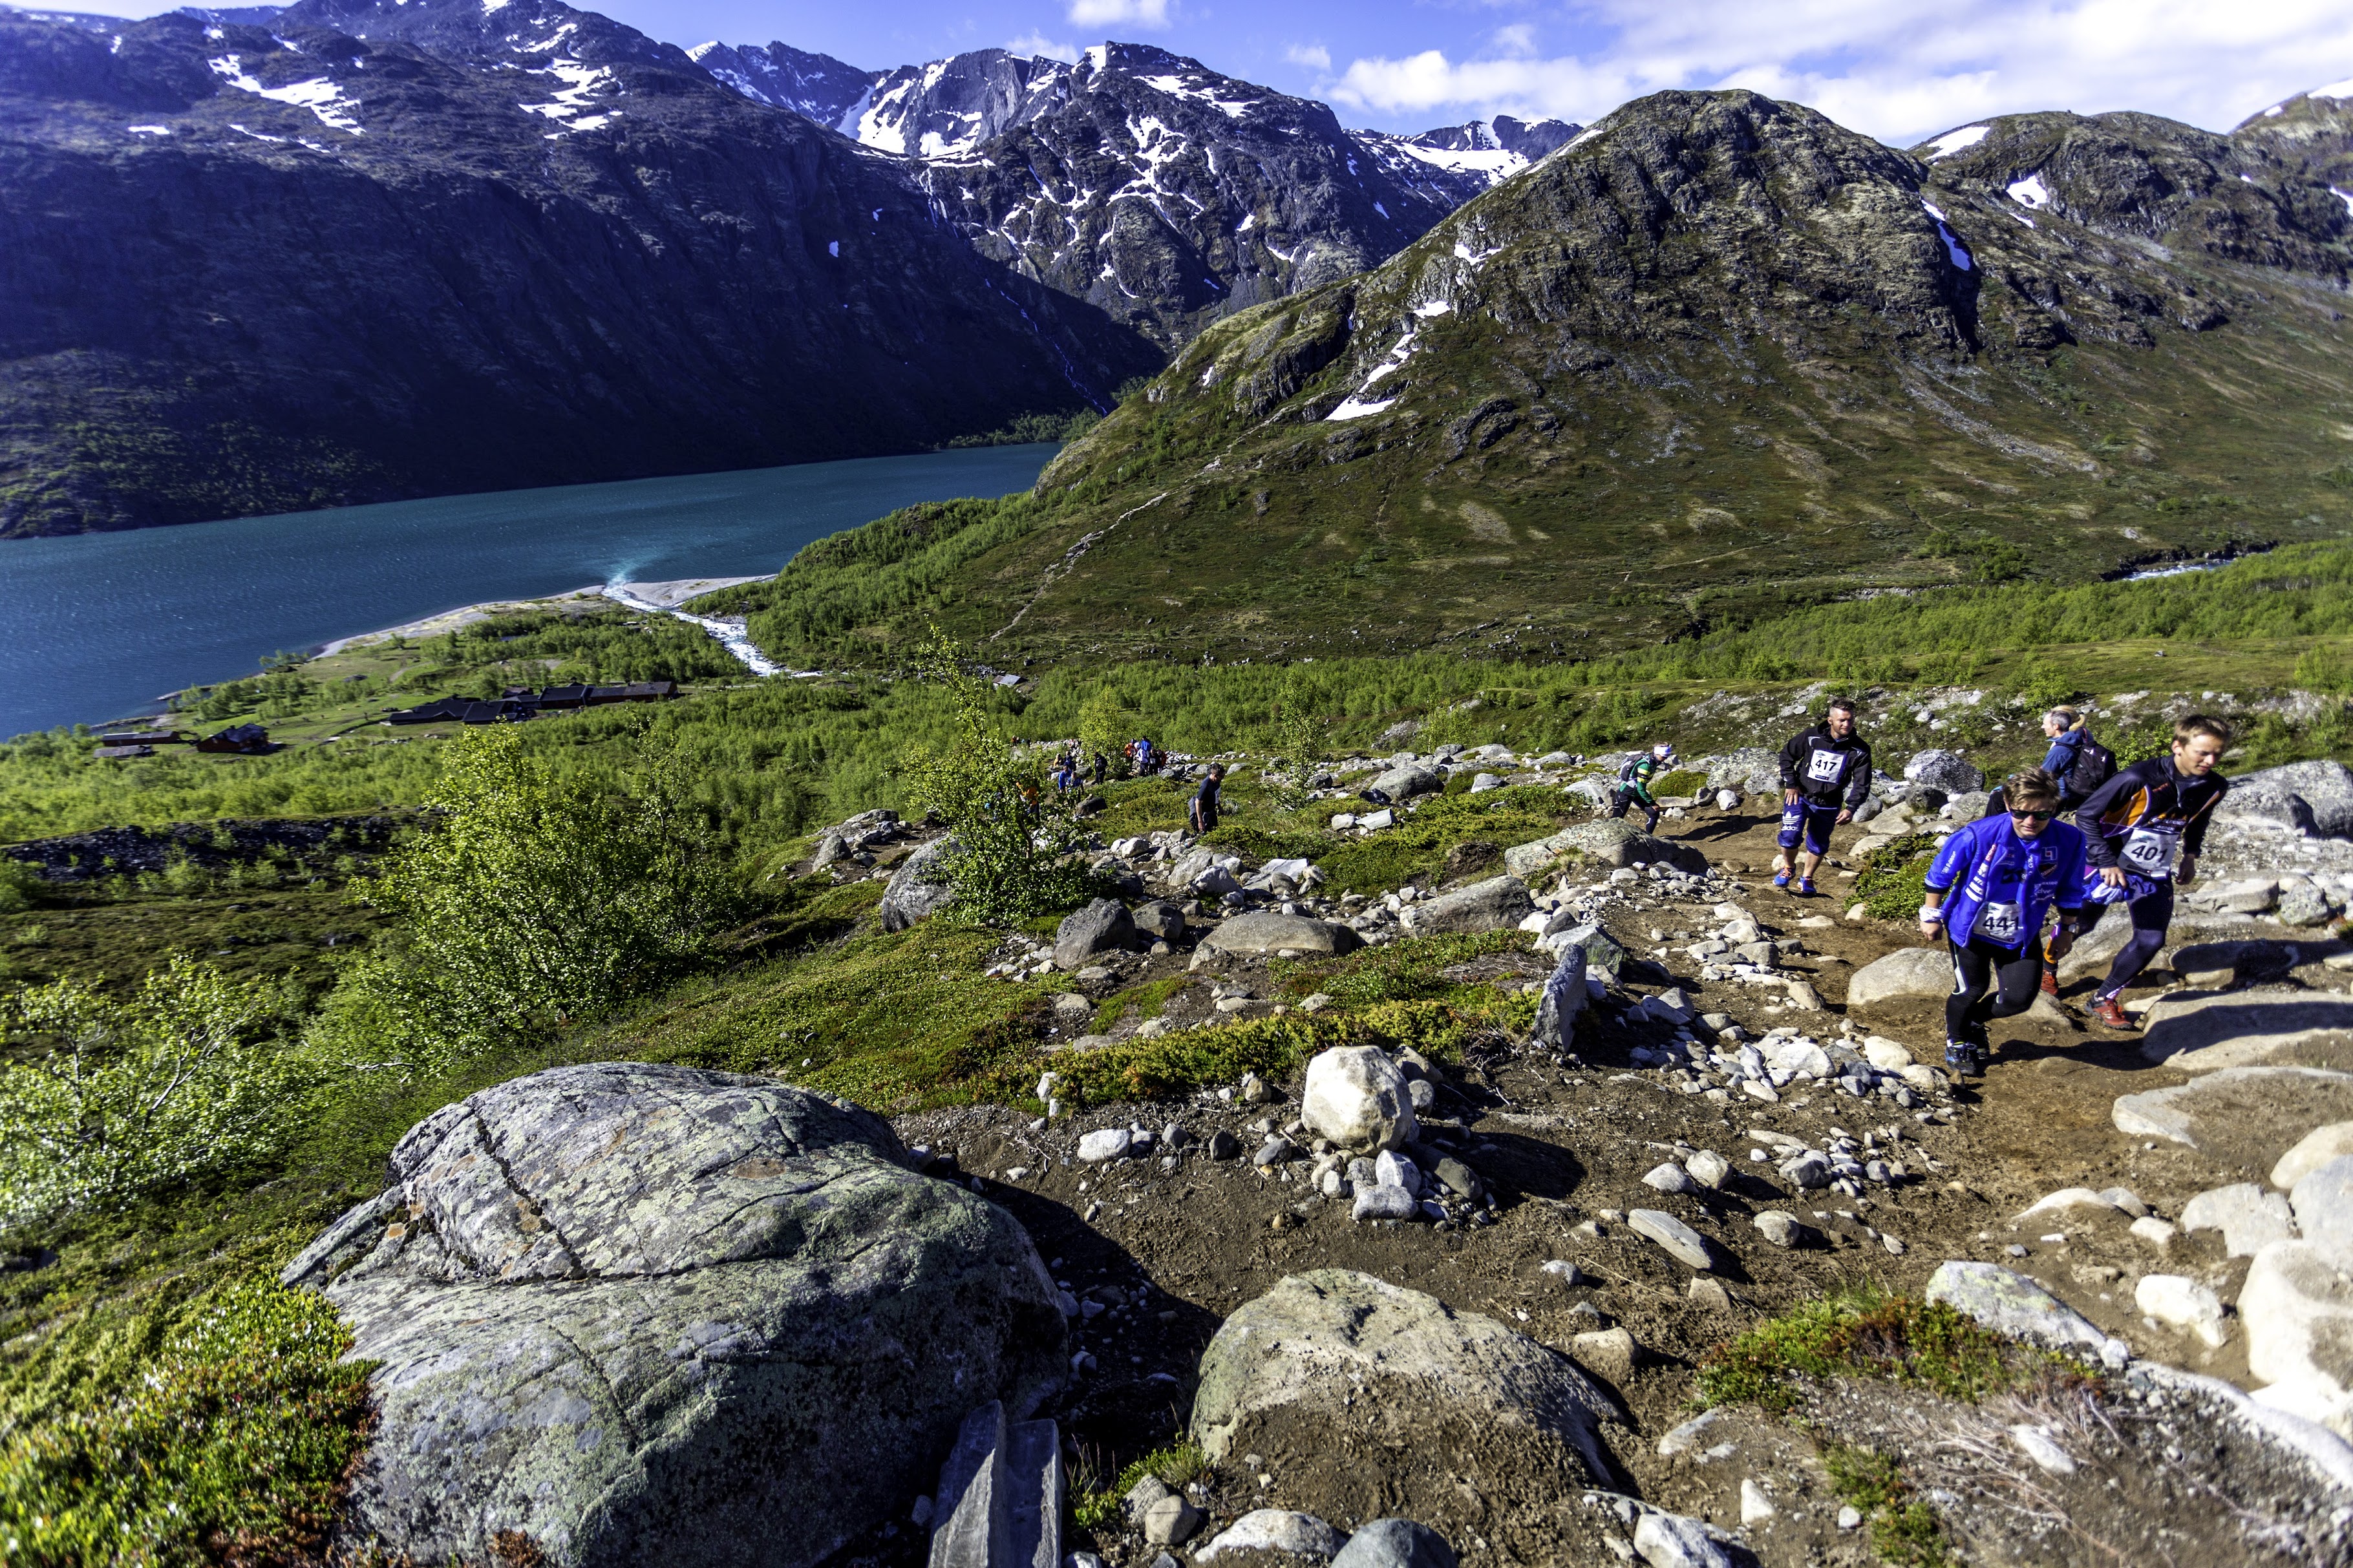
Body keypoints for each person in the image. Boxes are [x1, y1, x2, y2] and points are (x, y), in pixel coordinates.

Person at [1920, 767, 2092, 1081]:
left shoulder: (2069, 839)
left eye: (2041, 815)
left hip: (2021, 933)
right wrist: (1932, 917)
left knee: (2018, 999)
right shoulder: (1979, 834)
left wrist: (2066, 931)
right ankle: (1957, 1040)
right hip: (1970, 928)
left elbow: (2071, 888)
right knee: (1971, 989)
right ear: (2009, 804)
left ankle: (1973, 1022)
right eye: (2020, 813)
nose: (2030, 822)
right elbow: (1939, 877)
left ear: (2054, 808)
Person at [2074, 714, 2233, 1031]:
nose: (2210, 760)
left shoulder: (2215, 786)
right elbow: (2086, 815)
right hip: (2107, 864)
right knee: (2080, 925)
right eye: (2202, 752)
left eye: (2217, 753)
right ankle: (2048, 970)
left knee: (2151, 938)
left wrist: (2190, 854)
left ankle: (2103, 998)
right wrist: (2105, 861)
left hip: (2152, 867)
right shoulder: (2137, 777)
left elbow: (2198, 818)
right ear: (2178, 747)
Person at [1774, 697, 1873, 896]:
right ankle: (1788, 868)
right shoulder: (1812, 737)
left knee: (1819, 845)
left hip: (1829, 803)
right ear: (1831, 721)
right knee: (1790, 837)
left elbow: (1862, 782)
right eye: (1842, 720)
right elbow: (1786, 755)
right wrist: (1791, 784)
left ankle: (1807, 878)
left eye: (1850, 720)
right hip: (1800, 796)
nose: (1846, 724)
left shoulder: (1860, 750)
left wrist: (1851, 807)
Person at [1608, 742, 1677, 833]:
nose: (1665, 758)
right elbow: (1641, 789)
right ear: (1657, 753)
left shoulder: (1652, 760)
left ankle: (1649, 838)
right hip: (1626, 793)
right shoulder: (1645, 766)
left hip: (1635, 793)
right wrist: (1652, 803)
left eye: (1667, 756)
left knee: (1654, 813)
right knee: (1616, 819)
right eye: (1664, 756)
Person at [1189, 763, 1226, 834]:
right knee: (1201, 828)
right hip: (1200, 807)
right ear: (1215, 775)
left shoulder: (1217, 782)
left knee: (1213, 827)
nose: (1223, 778)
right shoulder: (1205, 785)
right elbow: (1198, 803)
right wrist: (1200, 822)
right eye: (1221, 776)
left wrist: (1220, 808)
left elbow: (1216, 795)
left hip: (1210, 806)